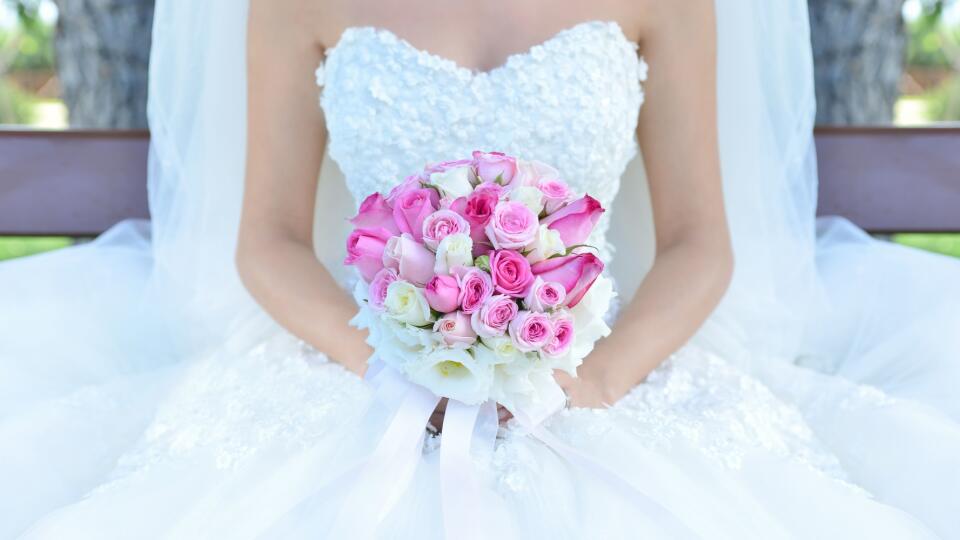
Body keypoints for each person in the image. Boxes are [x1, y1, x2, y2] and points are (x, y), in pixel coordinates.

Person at [2, 0, 958, 538]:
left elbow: (702, 239)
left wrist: (596, 379)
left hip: (599, 370)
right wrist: (389, 359)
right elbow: (268, 239)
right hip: (364, 364)